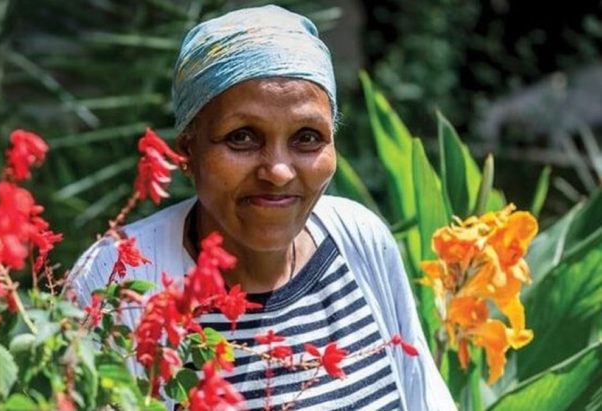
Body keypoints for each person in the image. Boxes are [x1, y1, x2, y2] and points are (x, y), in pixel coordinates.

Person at [70, 5, 455, 410]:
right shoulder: (117, 280)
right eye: (242, 137)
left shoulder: (359, 240)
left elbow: (421, 395)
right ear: (187, 149)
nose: (278, 171)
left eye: (307, 137)